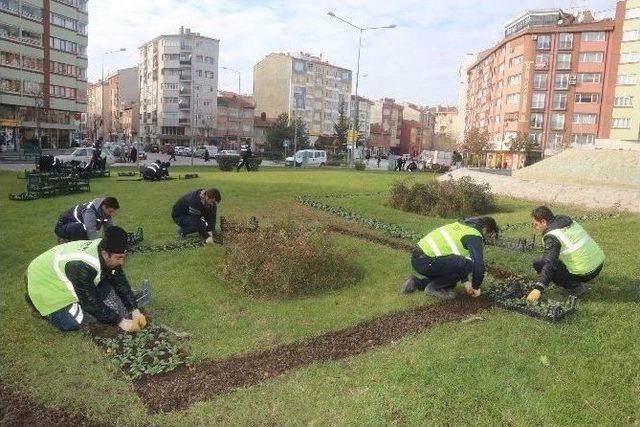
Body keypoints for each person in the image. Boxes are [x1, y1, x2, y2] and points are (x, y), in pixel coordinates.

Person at [26, 226, 147, 332]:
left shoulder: (105, 247)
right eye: (119, 258)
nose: (122, 262)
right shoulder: (81, 265)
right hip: (44, 284)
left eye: (124, 257)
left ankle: (76, 299)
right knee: (74, 322)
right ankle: (36, 303)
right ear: (105, 254)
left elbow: (120, 282)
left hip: (63, 273)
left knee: (105, 289)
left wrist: (134, 310)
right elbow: (90, 303)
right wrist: (121, 322)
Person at [400, 217, 499, 299]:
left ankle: (415, 282)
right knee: (468, 265)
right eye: (490, 235)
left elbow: (457, 258)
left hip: (419, 259)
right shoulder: (474, 236)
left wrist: (466, 282)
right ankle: (433, 289)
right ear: (485, 230)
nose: (488, 239)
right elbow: (478, 265)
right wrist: (476, 286)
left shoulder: (462, 226)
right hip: (427, 261)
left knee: (450, 283)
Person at [525, 206, 605, 302]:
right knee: (551, 259)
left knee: (539, 263)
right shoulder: (567, 222)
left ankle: (575, 287)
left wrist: (538, 288)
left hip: (585, 273)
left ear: (543, 222)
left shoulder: (552, 236)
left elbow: (549, 263)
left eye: (536, 224)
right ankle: (575, 280)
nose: (535, 228)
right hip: (598, 264)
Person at [55, 197, 119, 242]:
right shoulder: (89, 211)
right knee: (82, 228)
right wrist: (100, 247)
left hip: (75, 227)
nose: (112, 214)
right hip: (62, 228)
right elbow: (91, 232)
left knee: (85, 231)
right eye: (110, 211)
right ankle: (64, 240)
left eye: (113, 212)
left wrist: (111, 242)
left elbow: (109, 230)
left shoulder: (106, 213)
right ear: (104, 207)